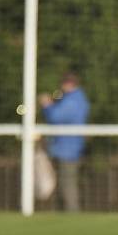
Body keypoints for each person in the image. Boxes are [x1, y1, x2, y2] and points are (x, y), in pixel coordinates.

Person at [39, 72, 90, 212]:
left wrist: (47, 105)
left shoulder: (73, 100)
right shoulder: (72, 99)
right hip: (64, 149)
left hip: (68, 150)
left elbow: (55, 117)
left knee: (67, 184)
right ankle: (64, 212)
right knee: (62, 183)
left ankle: (71, 212)